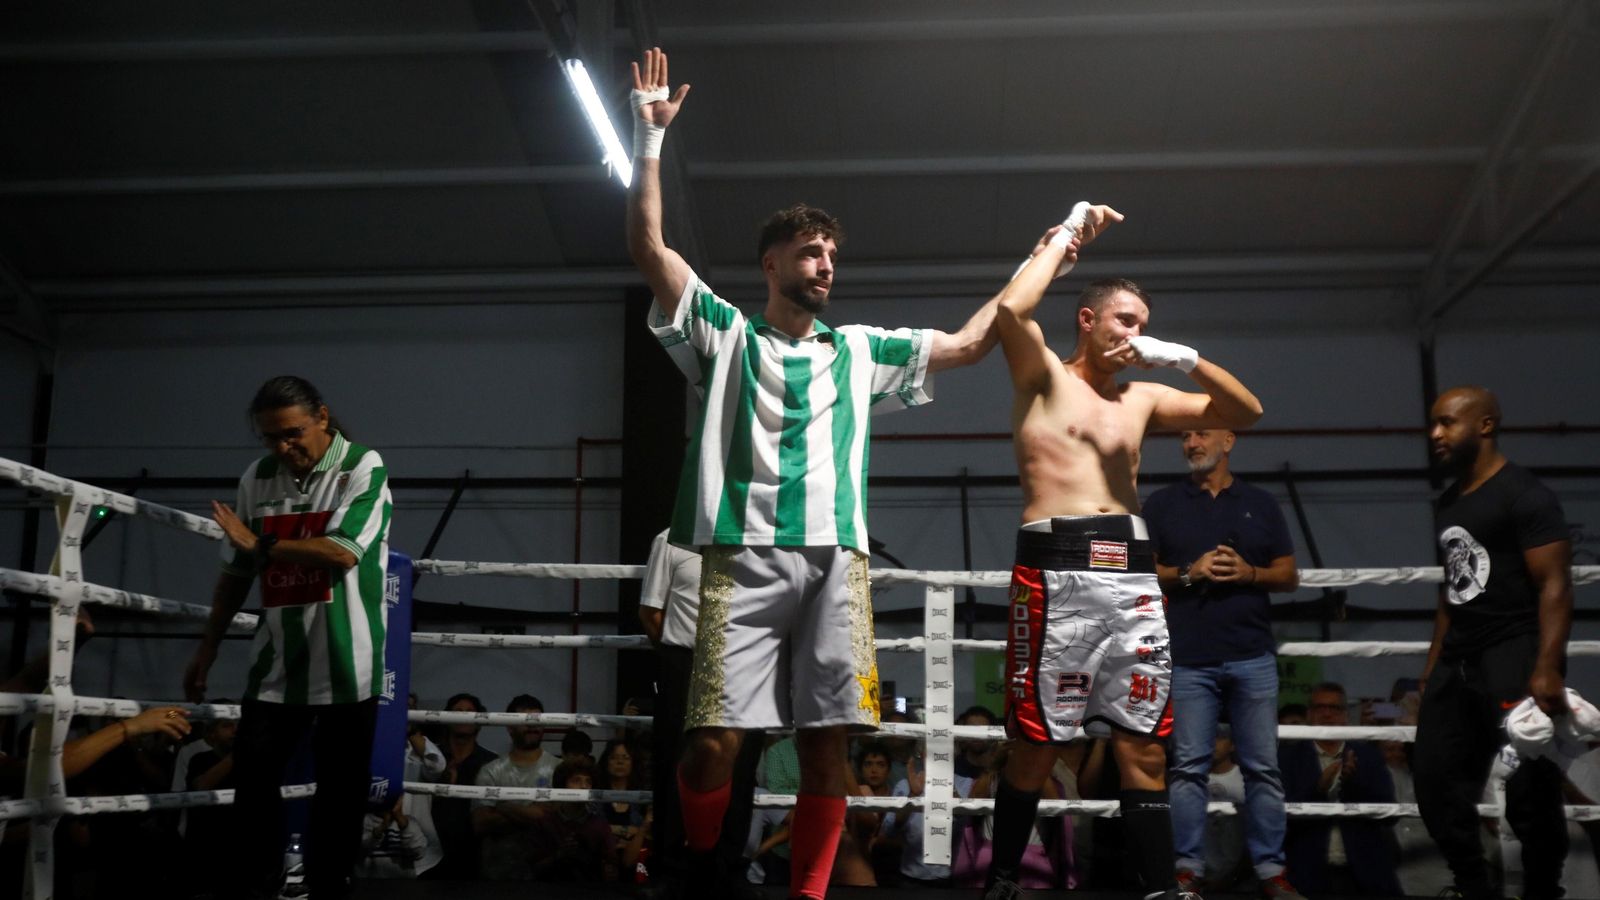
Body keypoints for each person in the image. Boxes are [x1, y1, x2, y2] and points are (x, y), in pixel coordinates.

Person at [627, 46, 1022, 900]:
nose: (826, 265)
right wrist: (648, 136)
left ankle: (807, 894)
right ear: (771, 265)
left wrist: (1051, 249)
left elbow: (974, 340)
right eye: (809, 253)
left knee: (828, 745)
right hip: (739, 560)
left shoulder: (860, 350)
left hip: (838, 565)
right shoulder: (724, 335)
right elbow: (647, 245)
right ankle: (702, 869)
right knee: (711, 744)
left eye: (831, 254)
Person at [985, 202, 1265, 900]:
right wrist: (1067, 236)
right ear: (1089, 320)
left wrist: (1188, 359)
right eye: (1126, 321)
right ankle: (1001, 878)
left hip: (1131, 577)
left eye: (1144, 325)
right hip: (1056, 569)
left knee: (1143, 743)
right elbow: (1011, 314)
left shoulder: (1142, 397)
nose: (1137, 335)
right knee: (1036, 744)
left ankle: (1159, 888)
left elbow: (1245, 415)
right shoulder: (1044, 377)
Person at [183, 375, 392, 900]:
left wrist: (260, 543)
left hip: (349, 662)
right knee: (252, 786)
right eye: (272, 437)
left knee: (340, 795)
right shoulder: (258, 477)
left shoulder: (362, 466)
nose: (284, 446)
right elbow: (235, 572)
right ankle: (258, 883)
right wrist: (208, 645)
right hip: (277, 665)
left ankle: (329, 887)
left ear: (322, 416)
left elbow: (343, 552)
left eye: (293, 433)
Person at [1415, 386, 1574, 900]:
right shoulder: (1450, 501)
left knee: (1530, 788)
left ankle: (1544, 889)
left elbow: (1554, 584)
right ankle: (1472, 885)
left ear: (1484, 426)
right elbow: (1451, 589)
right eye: (1434, 424)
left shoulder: (1524, 494)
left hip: (1514, 649)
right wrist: (1432, 665)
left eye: (1447, 423)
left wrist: (1548, 666)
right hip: (1459, 656)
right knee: (1434, 779)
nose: (1436, 434)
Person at [1142, 428, 1304, 899]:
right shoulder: (1162, 503)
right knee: (1189, 767)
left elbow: (1289, 575)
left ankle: (1271, 872)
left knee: (1263, 769)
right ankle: (1186, 870)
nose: (1191, 443)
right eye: (1186, 436)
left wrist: (1249, 573)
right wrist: (1189, 573)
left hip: (1251, 653)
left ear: (1228, 441)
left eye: (1202, 434)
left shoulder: (1261, 502)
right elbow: (1141, 572)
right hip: (1190, 655)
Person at [637, 528, 763, 898]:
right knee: (674, 764)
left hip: (745, 663)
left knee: (741, 768)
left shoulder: (760, 537)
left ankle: (727, 870)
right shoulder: (670, 538)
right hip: (684, 661)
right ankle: (670, 869)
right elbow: (650, 612)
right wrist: (683, 660)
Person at [1279, 682, 1401, 895]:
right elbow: (1278, 820)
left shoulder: (1368, 756)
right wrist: (1318, 790)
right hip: (1307, 877)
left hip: (1364, 878)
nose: (1327, 714)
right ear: (1309, 714)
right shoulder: (1288, 758)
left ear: (1345, 715)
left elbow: (1390, 815)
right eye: (1319, 707)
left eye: (1334, 708)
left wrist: (1354, 784)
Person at [472, 693, 559, 880]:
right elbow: (481, 823)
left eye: (537, 720)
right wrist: (531, 812)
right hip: (496, 876)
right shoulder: (490, 771)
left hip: (546, 876)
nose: (532, 726)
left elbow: (554, 820)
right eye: (525, 720)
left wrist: (503, 805)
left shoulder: (559, 769)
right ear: (510, 727)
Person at [426, 691, 498, 880]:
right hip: (428, 852)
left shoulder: (491, 763)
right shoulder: (430, 757)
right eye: (458, 711)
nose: (464, 715)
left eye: (469, 711)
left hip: (475, 856)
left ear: (479, 720)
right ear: (447, 718)